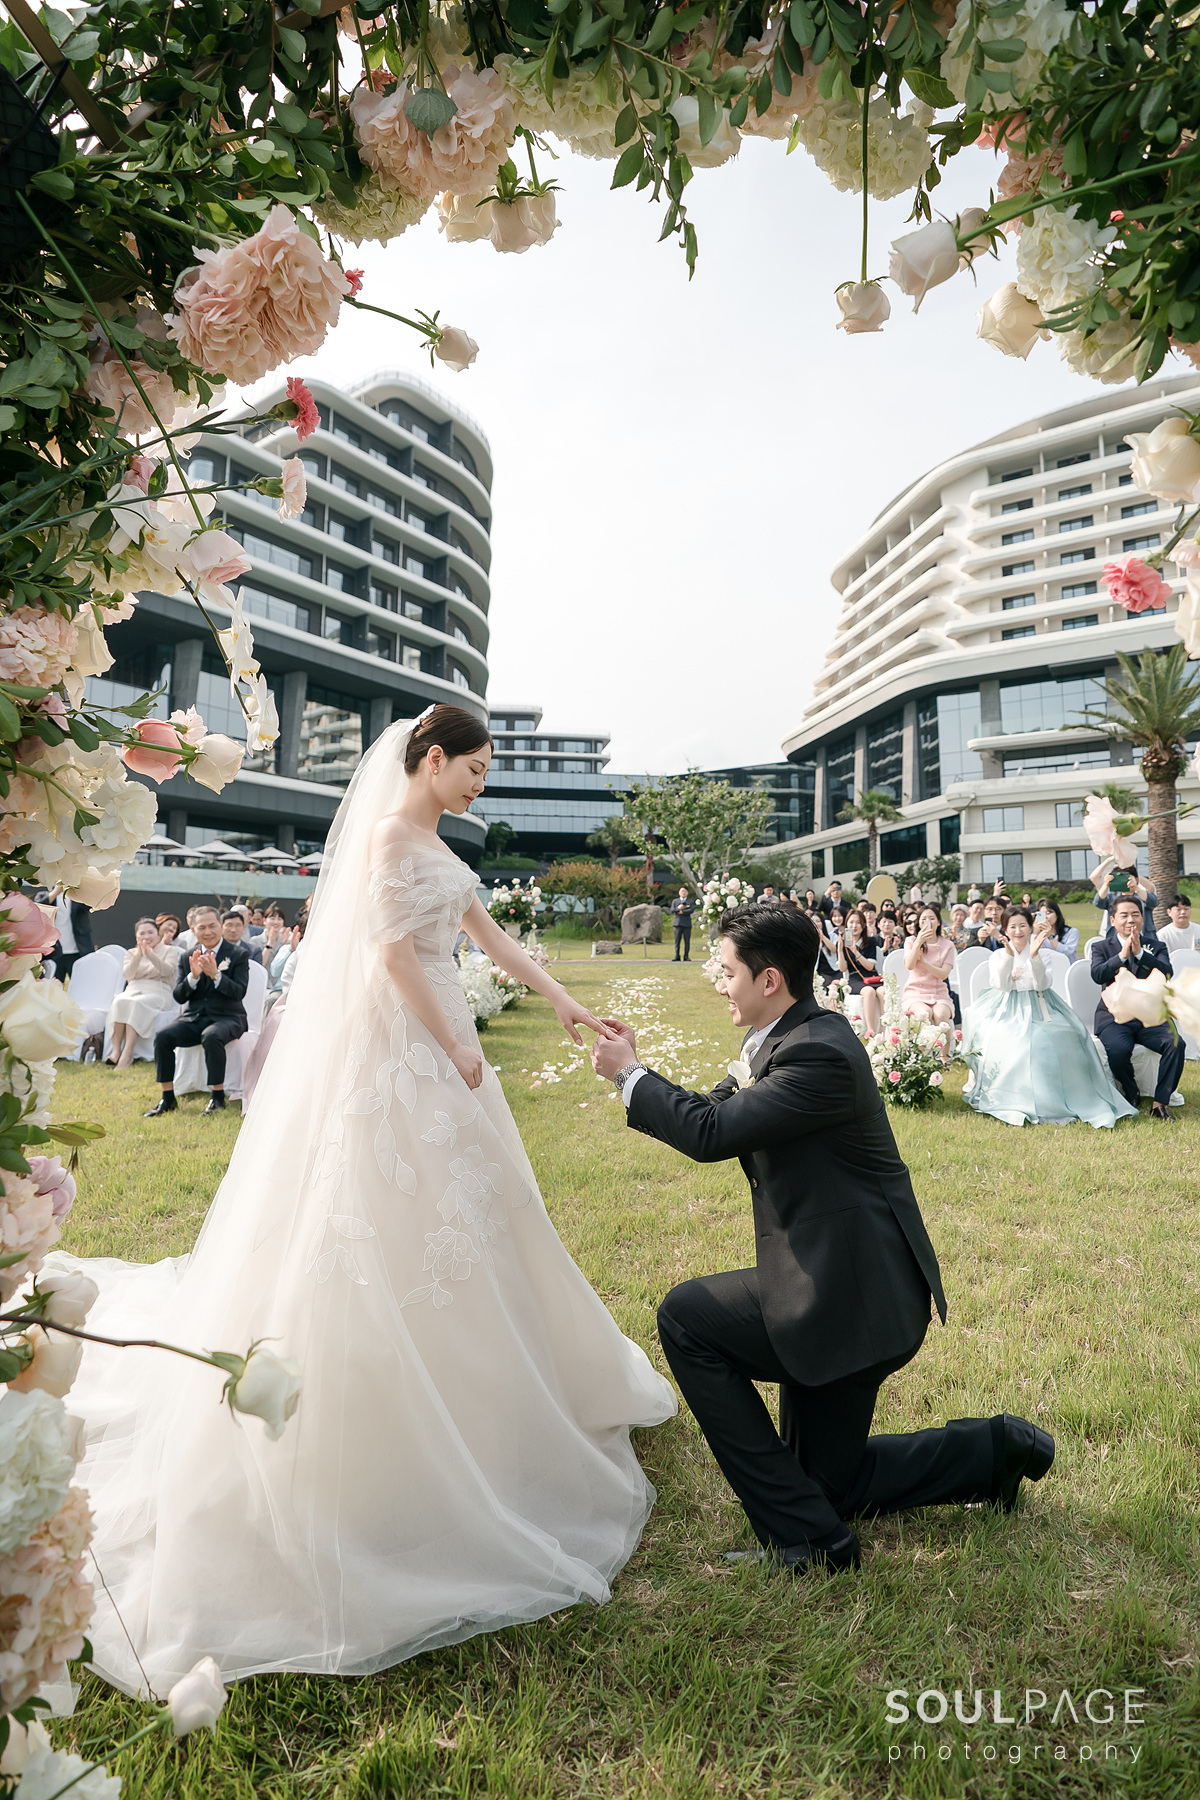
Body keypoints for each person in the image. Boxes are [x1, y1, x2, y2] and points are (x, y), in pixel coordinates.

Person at [51, 705, 675, 1696]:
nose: (479, 782)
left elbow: (488, 934)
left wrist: (561, 1000)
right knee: (377, 1231)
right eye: (470, 766)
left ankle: (506, 1397)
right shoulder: (388, 839)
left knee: (482, 1220)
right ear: (427, 760)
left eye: (484, 771)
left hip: (442, 1063)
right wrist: (455, 1042)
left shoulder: (441, 848)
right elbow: (390, 959)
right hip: (403, 1054)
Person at [590, 905, 1054, 1571]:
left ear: (770, 979)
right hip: (837, 1285)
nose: (717, 982)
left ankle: (812, 1544)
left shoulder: (817, 1054)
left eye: (726, 972)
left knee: (687, 1320)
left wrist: (627, 1075)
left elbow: (710, 1136)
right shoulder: (791, 1037)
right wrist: (640, 1068)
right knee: (828, 1486)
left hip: (851, 1301)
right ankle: (993, 1451)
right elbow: (715, 1111)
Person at [963, 908, 1135, 1130]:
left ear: (1031, 926)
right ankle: (1018, 1097)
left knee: (1068, 1035)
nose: (1018, 931)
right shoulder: (998, 955)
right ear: (1004, 929)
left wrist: (1034, 957)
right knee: (1019, 1041)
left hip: (1041, 1004)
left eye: (1023, 925)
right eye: (1012, 927)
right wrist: (1008, 957)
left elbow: (1041, 984)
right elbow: (1003, 985)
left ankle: (1065, 1097)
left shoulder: (1042, 952)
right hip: (1007, 1008)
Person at [147, 906, 251, 1117]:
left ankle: (217, 1096)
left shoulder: (238, 954)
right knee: (162, 1036)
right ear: (193, 930)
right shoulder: (187, 957)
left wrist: (216, 975)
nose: (208, 931)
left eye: (212, 925)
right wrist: (193, 977)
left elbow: (239, 992)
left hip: (228, 1017)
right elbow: (179, 996)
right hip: (195, 1017)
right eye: (201, 927)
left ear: (220, 926)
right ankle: (168, 1097)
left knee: (211, 1036)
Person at [1090, 896, 1184, 1122]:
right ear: (1113, 920)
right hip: (1114, 1016)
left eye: (1135, 914)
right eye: (1124, 915)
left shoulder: (1156, 945)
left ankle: (1160, 1102)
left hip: (1149, 1015)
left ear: (1142, 918)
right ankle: (1131, 1093)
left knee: (1176, 1044)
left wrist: (1141, 954)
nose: (1130, 919)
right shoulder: (1101, 946)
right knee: (1120, 1050)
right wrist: (1122, 955)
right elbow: (1098, 975)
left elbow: (1167, 972)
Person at [106, 919, 177, 1069]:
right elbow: (128, 974)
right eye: (142, 933)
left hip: (158, 991)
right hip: (133, 989)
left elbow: (166, 971)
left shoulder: (169, 950)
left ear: (158, 935)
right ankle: (115, 1050)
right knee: (119, 1001)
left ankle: (128, 1053)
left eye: (150, 932)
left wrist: (151, 955)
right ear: (136, 937)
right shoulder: (131, 953)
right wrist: (139, 956)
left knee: (136, 1003)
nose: (147, 936)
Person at [903, 904, 955, 1025]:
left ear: (938, 922)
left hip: (938, 993)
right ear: (919, 923)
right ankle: (923, 1045)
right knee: (924, 1014)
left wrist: (925, 963)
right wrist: (918, 942)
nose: (928, 922)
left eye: (932, 918)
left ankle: (944, 1044)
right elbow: (909, 965)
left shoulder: (947, 945)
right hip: (915, 992)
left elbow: (944, 974)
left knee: (941, 1015)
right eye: (924, 919)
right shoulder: (910, 941)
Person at [838, 907, 883, 1037]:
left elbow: (869, 967)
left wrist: (855, 951)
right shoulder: (843, 943)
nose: (854, 926)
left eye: (858, 922)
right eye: (851, 922)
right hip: (855, 978)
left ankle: (886, 1031)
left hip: (871, 976)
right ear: (846, 924)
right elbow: (842, 968)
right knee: (868, 991)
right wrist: (840, 950)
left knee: (882, 992)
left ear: (863, 925)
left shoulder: (871, 941)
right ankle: (871, 1031)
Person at [1091, 856, 1158, 935]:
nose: (1124, 880)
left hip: (1145, 938)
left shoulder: (1142, 894)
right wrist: (1106, 884)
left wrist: (1136, 886)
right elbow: (1098, 903)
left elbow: (1153, 902)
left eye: (1126, 877)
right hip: (1116, 937)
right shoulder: (1112, 896)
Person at [45, 891, 92, 981]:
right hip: (55, 953)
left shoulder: (78, 898)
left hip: (77, 952)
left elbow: (90, 904)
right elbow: (40, 905)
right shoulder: (49, 896)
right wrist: (56, 892)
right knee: (53, 988)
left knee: (81, 986)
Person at [670, 887, 695, 962]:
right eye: (682, 891)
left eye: (685, 891)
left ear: (687, 892)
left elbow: (691, 910)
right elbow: (672, 910)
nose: (683, 893)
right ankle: (677, 956)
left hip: (687, 923)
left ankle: (686, 956)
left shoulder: (690, 901)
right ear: (679, 892)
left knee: (687, 941)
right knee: (677, 941)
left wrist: (683, 912)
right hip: (678, 923)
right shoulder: (675, 901)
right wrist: (678, 908)